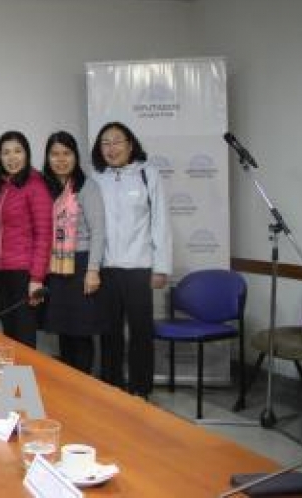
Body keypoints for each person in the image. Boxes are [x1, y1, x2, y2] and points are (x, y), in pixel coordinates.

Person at [91, 121, 171, 398]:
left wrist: (161, 267)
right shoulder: (95, 178)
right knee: (109, 333)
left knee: (140, 333)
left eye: (117, 141)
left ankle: (140, 390)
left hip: (139, 268)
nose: (111, 148)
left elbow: (160, 222)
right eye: (105, 143)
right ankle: (112, 387)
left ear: (130, 144)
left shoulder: (148, 174)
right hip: (106, 269)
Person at [41, 131, 106, 374]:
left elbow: (99, 230)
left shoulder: (87, 187)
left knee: (81, 331)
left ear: (76, 156)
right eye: (55, 154)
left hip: (80, 264)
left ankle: (84, 384)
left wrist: (93, 270)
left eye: (66, 153)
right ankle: (69, 381)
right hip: (55, 266)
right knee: (63, 329)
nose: (60, 159)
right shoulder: (44, 187)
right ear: (47, 158)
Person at [0, 131, 52, 348]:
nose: (12, 157)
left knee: (24, 338)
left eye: (17, 151)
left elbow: (44, 235)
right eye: (6, 152)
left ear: (27, 154)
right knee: (10, 336)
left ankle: (27, 381)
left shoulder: (35, 185)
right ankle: (13, 382)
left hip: (23, 274)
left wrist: (36, 279)